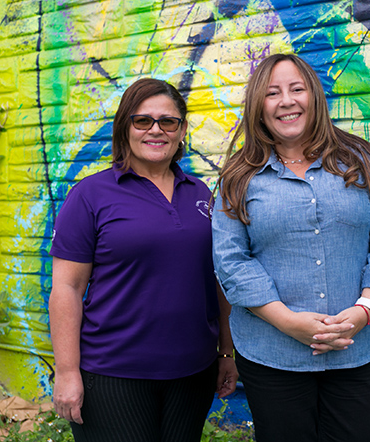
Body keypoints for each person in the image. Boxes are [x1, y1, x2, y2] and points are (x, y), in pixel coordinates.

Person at [212, 53, 370, 442]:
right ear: (259, 107)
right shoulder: (238, 177)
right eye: (272, 93)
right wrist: (287, 321)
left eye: (296, 88)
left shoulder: (360, 161)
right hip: (272, 354)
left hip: (354, 348)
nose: (287, 100)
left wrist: (364, 310)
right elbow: (232, 262)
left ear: (314, 97)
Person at [49, 78, 238, 442]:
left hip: (192, 371)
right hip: (113, 373)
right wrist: (67, 371)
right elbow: (67, 289)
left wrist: (225, 352)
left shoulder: (199, 192)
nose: (156, 130)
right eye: (142, 121)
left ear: (182, 130)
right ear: (125, 128)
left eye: (168, 121)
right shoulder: (90, 195)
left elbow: (217, 278)